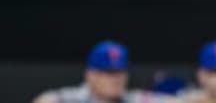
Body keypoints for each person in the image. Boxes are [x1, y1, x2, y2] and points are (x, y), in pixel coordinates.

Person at [33, 40, 177, 103]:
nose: (116, 78)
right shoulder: (71, 98)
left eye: (120, 72)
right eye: (109, 73)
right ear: (91, 75)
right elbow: (46, 99)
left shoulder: (132, 99)